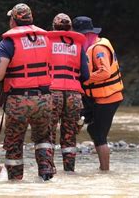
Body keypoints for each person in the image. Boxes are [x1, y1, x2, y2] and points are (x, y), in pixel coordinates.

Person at [0, 3, 55, 181]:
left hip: (18, 100)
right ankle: (46, 176)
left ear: (13, 20)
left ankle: (15, 182)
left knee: (14, 143)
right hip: (44, 98)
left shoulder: (8, 42)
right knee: (43, 138)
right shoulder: (46, 39)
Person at [72, 16, 124, 171]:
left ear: (85, 34)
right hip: (97, 97)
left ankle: (105, 170)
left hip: (108, 98)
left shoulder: (98, 48)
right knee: (82, 121)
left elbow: (105, 72)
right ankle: (101, 168)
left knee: (98, 134)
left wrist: (83, 81)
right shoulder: (93, 45)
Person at [48, 13, 89, 172]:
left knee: (48, 132)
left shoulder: (47, 42)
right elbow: (86, 75)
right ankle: (69, 170)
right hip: (73, 94)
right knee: (70, 135)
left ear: (53, 27)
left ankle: (48, 169)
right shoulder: (78, 46)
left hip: (52, 92)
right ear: (70, 28)